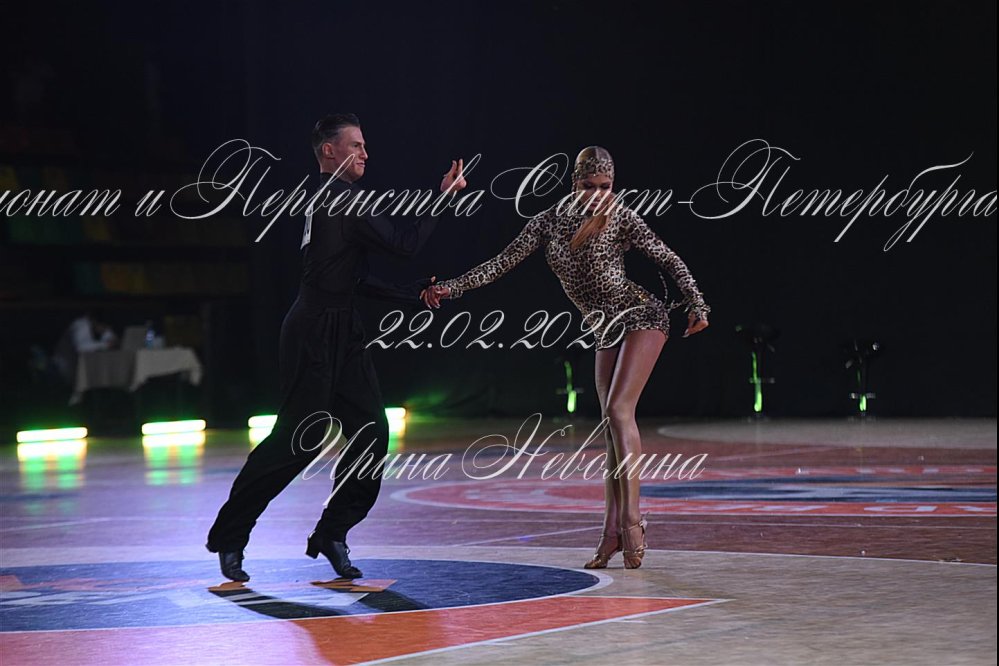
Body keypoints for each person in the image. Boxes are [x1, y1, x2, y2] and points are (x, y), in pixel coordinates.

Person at [206, 113, 466, 581]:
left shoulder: (333, 199)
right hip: (313, 330)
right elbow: (405, 244)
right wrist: (443, 197)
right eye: (356, 145)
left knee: (371, 432)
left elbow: (355, 279)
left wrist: (412, 295)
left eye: (365, 145)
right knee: (297, 441)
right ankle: (230, 534)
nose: (366, 153)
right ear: (329, 151)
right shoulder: (339, 199)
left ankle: (332, 533)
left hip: (343, 328)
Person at [422, 146, 709, 570]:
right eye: (589, 186)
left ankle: (633, 522)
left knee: (619, 410)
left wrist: (697, 303)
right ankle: (611, 532)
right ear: (574, 183)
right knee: (610, 428)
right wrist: (453, 287)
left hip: (642, 315)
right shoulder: (548, 222)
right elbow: (502, 262)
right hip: (604, 328)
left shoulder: (621, 217)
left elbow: (668, 257)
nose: (598, 194)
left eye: (606, 186)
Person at [51, 312, 118, 384]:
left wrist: (108, 337)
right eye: (104, 327)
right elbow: (81, 348)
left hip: (74, 365)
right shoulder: (82, 325)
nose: (104, 330)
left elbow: (107, 340)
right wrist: (105, 344)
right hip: (62, 367)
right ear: (95, 321)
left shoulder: (92, 326)